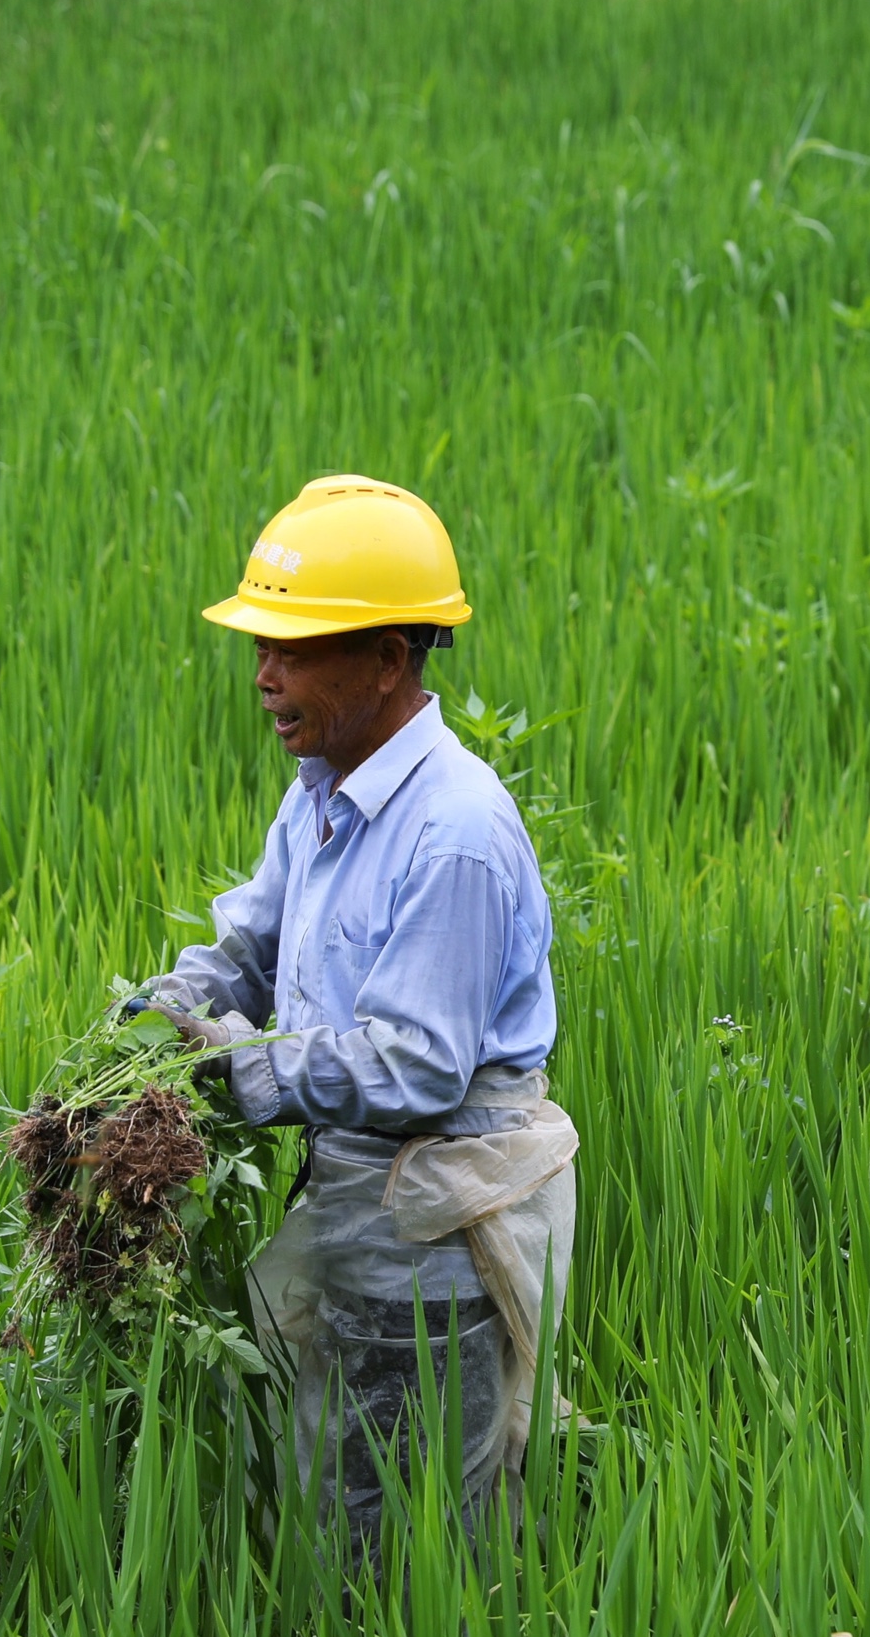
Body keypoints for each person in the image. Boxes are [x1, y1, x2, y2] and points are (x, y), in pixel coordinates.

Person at [138, 474, 575, 1556]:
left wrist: (250, 1065)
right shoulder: (325, 784)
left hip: (428, 1234)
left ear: (388, 659)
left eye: (292, 649)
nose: (263, 677)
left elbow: (418, 1064)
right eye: (261, 648)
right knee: (324, 1498)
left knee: (411, 1531)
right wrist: (185, 998)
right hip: (351, 1201)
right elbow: (263, 937)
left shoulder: (456, 835)